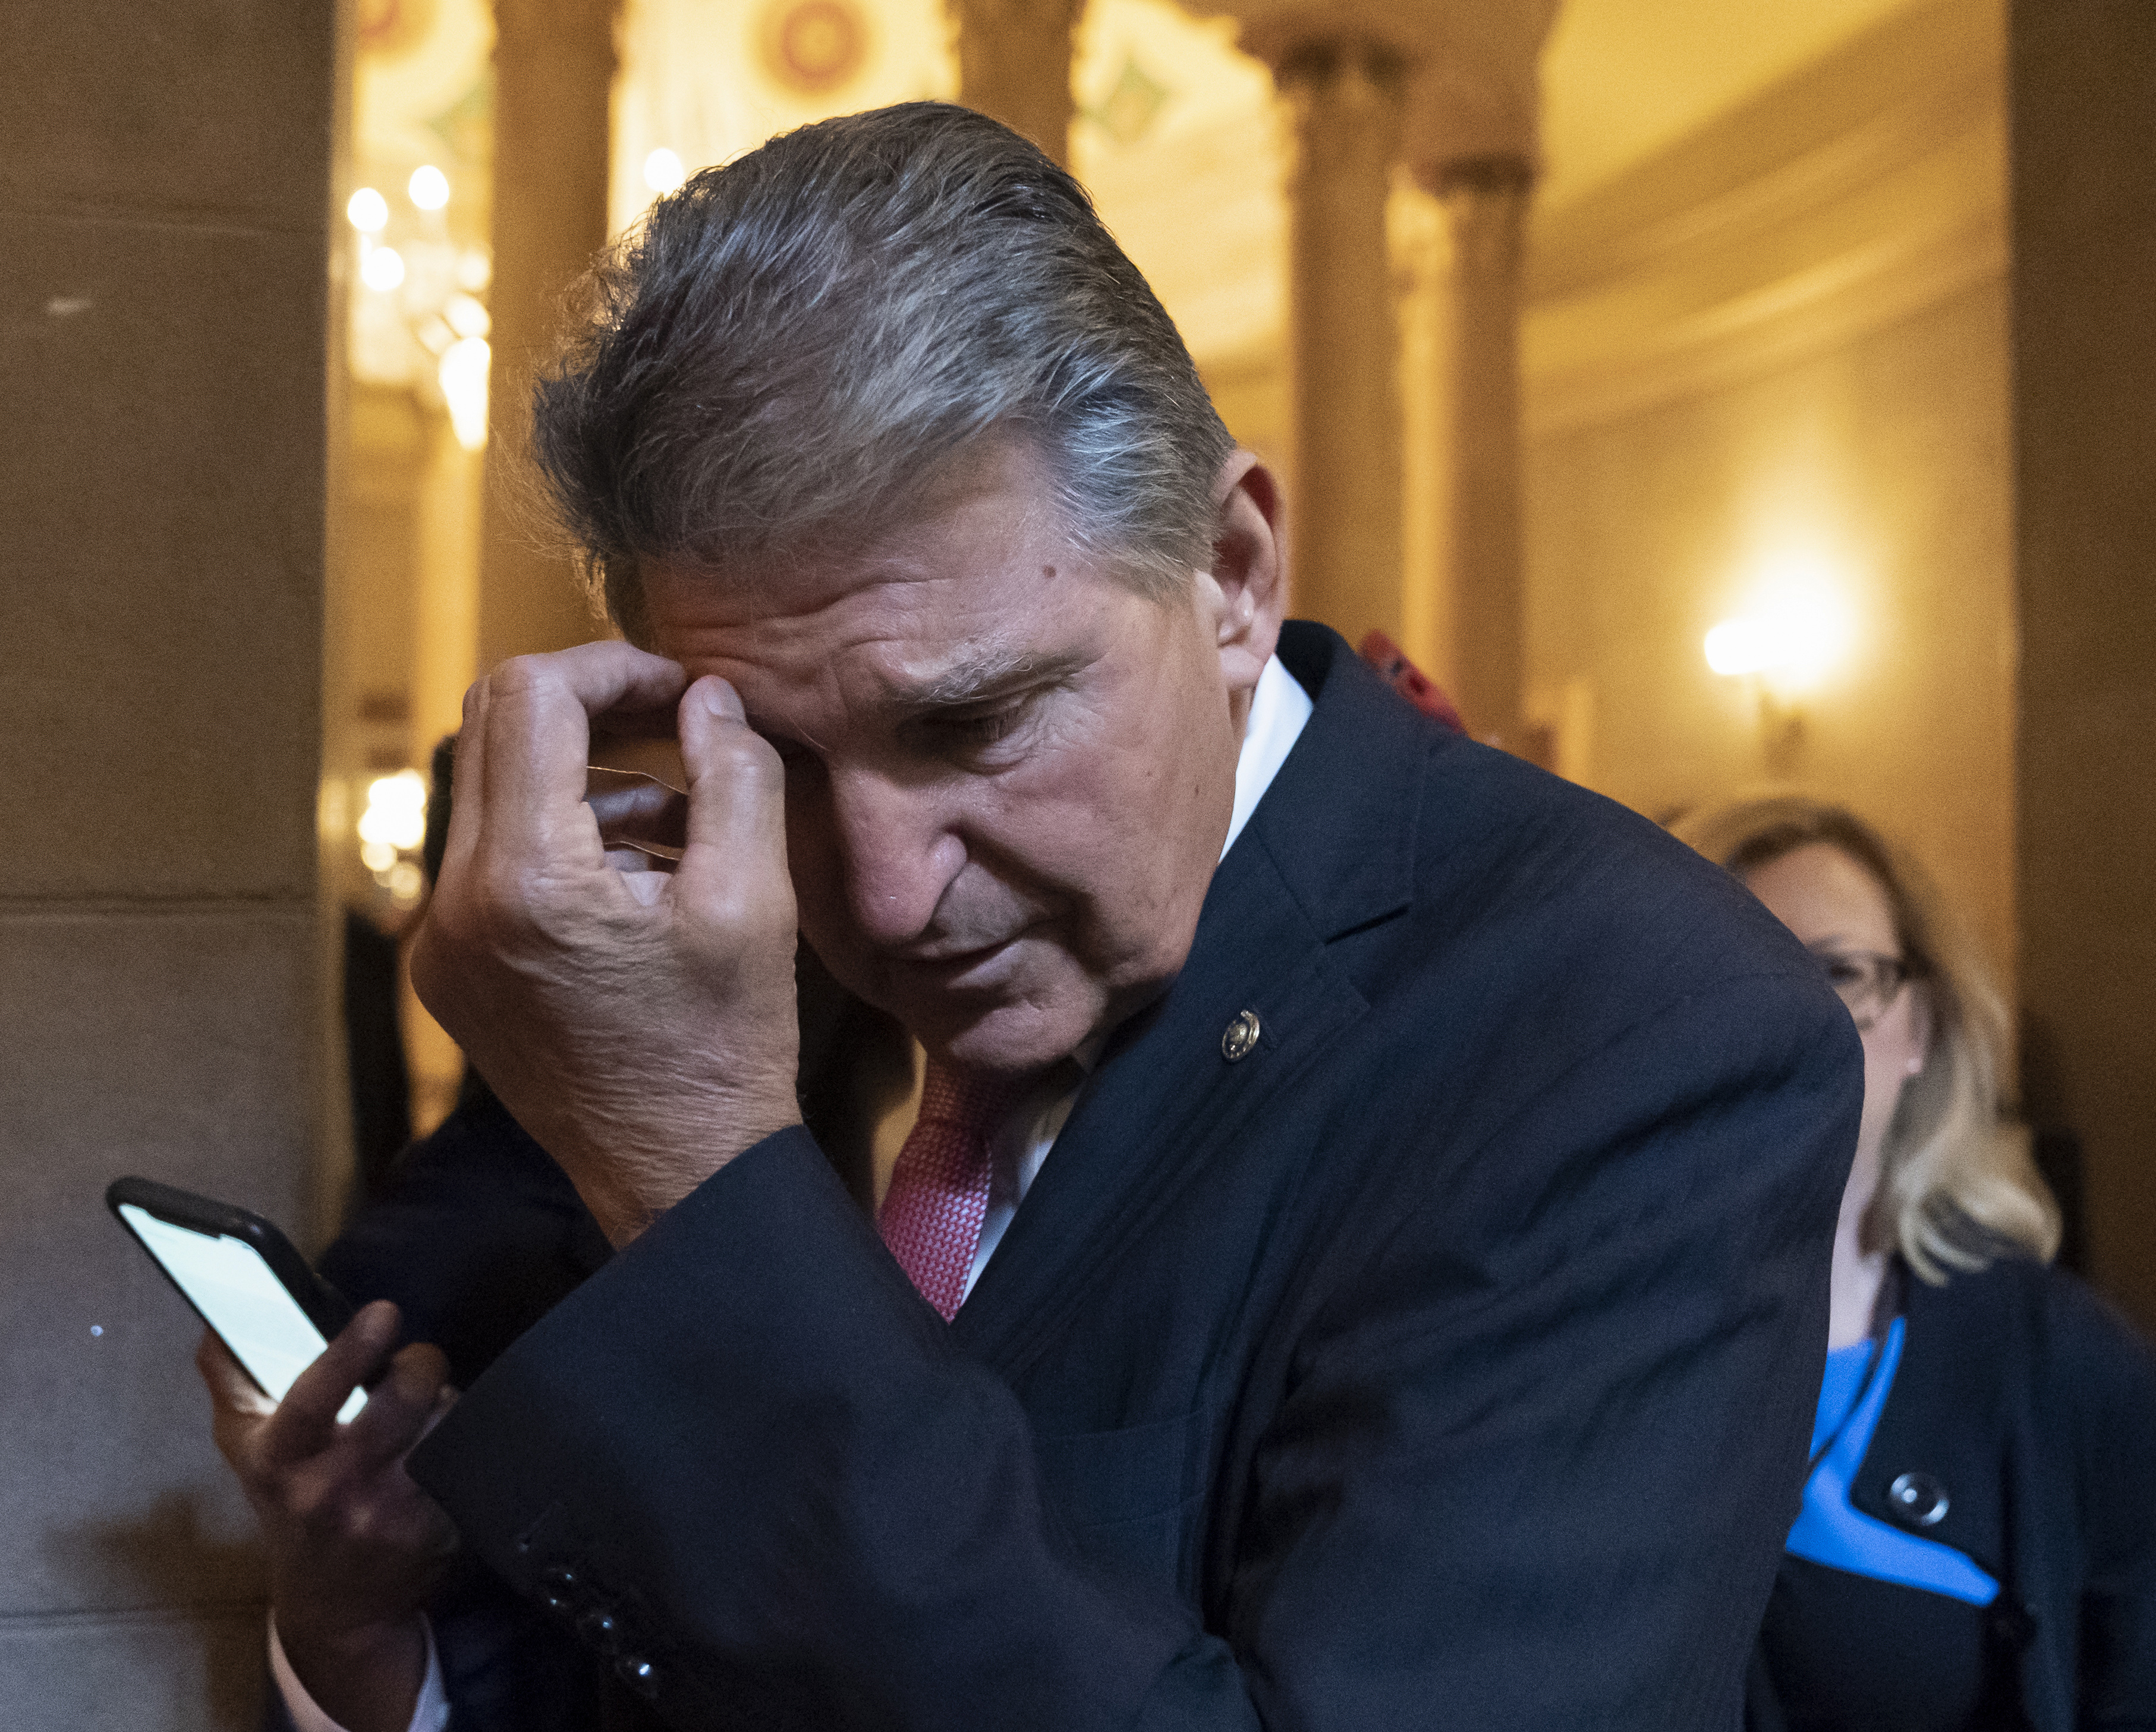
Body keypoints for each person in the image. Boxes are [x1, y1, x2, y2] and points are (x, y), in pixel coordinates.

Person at [202, 102, 1862, 1732]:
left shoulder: (1630, 1030)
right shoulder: (730, 962)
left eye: (971, 723)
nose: (881, 889)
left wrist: (700, 1187)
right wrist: (388, 1668)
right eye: (775, 756)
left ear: (1228, 572)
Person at [1676, 796, 2156, 1731]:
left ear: (1923, 1028)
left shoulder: (2060, 1362)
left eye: (1841, 971)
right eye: (1730, 972)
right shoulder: (1581, 1330)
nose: (1793, 1020)